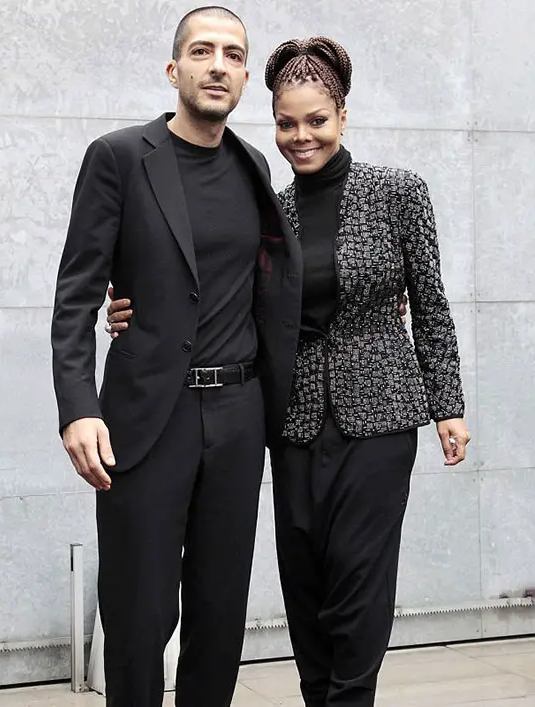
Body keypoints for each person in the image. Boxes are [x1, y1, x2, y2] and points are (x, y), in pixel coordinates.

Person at [106, 35, 471, 707]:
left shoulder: (397, 193)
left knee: (358, 588)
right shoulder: (268, 207)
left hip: (380, 419)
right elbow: (211, 287)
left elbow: (431, 302)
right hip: (292, 421)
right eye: (285, 122)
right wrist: (132, 313)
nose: (300, 137)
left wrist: (448, 404)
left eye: (316, 121)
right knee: (306, 590)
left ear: (343, 116)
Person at [50, 7, 303, 707]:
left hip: (238, 415)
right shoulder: (120, 157)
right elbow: (76, 295)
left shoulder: (254, 167)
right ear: (175, 69)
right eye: (202, 51)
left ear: (246, 76)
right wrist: (78, 407)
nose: (217, 64)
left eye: (232, 54)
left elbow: (273, 285)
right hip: (145, 416)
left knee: (219, 617)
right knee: (138, 613)